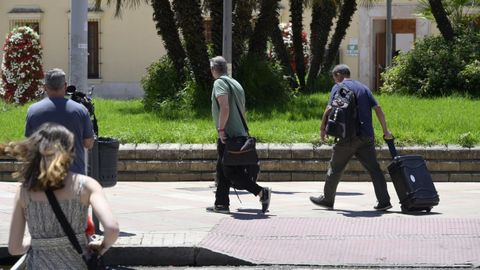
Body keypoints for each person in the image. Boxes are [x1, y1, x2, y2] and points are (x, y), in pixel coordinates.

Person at [4, 122, 119, 269]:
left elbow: (15, 248)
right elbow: (112, 229)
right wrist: (102, 246)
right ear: (70, 151)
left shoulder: (25, 192)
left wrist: (41, 241)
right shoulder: (86, 185)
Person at [310, 64, 393, 211]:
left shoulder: (339, 87)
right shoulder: (364, 88)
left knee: (335, 168)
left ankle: (328, 200)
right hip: (366, 136)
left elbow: (329, 109)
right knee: (374, 169)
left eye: (334, 77)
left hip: (346, 137)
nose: (335, 80)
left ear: (338, 75)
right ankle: (384, 201)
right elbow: (378, 109)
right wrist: (386, 131)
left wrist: (322, 128)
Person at [207, 56, 271, 214]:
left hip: (229, 136)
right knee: (222, 170)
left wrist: (221, 130)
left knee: (231, 172)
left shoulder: (220, 83)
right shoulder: (235, 83)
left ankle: (261, 192)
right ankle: (221, 204)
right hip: (238, 134)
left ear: (214, 69)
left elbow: (225, 107)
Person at [25, 68, 95, 175]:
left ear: (45, 87)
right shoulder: (80, 110)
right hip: (74, 173)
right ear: (65, 86)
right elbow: (88, 143)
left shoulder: (33, 110)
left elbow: (30, 144)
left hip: (43, 174)